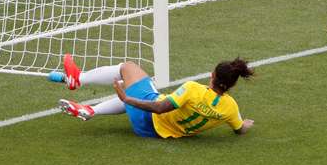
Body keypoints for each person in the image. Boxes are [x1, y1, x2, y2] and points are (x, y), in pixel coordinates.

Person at [49, 54, 255, 138]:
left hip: (149, 117)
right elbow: (239, 129)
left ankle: (78, 79)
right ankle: (91, 110)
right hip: (156, 133)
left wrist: (127, 99)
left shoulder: (193, 89)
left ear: (212, 75)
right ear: (232, 84)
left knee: (128, 68)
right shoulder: (230, 108)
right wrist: (245, 123)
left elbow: (159, 108)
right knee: (139, 87)